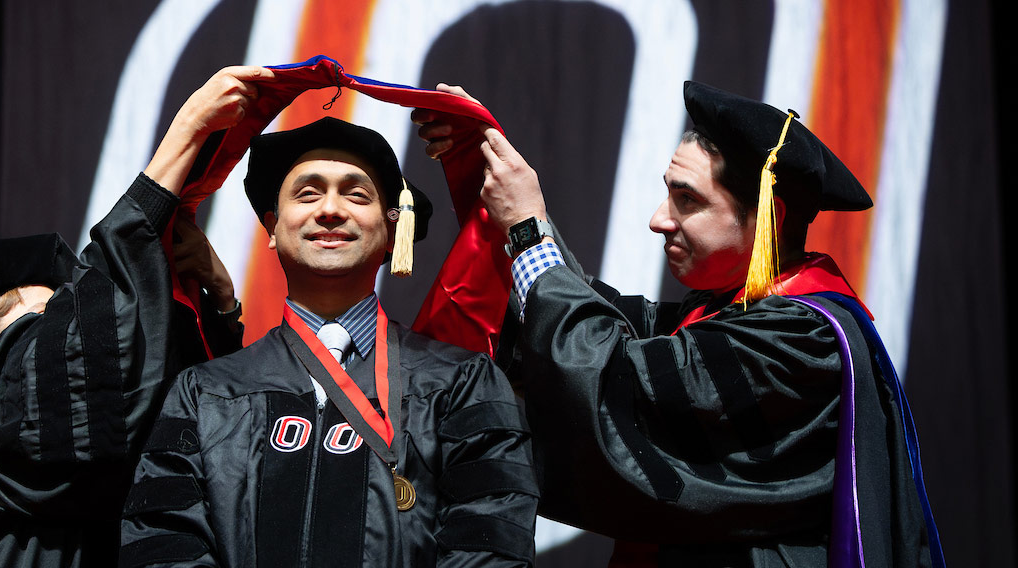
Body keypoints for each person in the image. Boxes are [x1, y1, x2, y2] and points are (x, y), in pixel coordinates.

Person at [413, 81, 942, 568]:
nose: (658, 218)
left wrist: (529, 231)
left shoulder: (801, 342)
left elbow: (605, 372)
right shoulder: (722, 317)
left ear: (769, 218)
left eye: (687, 199)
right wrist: (486, 173)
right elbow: (598, 321)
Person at [0, 66, 273, 568]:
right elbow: (95, 359)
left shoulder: (56, 445)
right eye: (49, 312)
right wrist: (186, 133)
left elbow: (181, 412)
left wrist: (219, 304)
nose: (74, 318)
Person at [120, 117, 539, 567]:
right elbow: (163, 542)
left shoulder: (463, 384)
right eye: (307, 193)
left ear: (391, 230)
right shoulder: (204, 393)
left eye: (356, 194)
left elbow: (491, 544)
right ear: (272, 229)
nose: (330, 210)